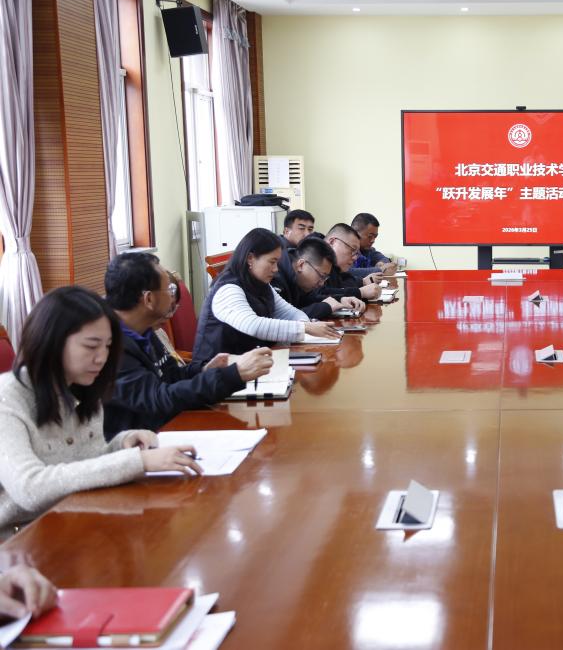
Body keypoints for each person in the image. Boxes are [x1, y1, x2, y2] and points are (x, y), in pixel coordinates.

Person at [0, 287, 201, 539]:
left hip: (75, 520)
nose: (102, 358)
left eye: (107, 346)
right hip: (19, 542)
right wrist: (138, 462)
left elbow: (85, 464)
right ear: (51, 341)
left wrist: (121, 444)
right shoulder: (7, 398)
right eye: (91, 346)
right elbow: (29, 488)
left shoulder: (84, 387)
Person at [102, 253, 274, 438]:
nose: (173, 296)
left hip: (167, 431)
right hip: (140, 444)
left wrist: (204, 370)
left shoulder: (143, 329)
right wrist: (233, 375)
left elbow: (171, 376)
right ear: (148, 299)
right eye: (168, 289)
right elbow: (158, 400)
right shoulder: (108, 345)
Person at [192, 228, 341, 364]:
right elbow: (253, 325)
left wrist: (305, 325)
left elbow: (290, 313)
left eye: (277, 262)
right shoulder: (228, 288)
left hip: (249, 366)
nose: (276, 269)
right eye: (272, 262)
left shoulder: (261, 284)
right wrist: (305, 328)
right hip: (217, 373)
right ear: (250, 258)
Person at [272, 236, 364, 319]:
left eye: (325, 278)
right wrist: (325, 307)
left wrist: (340, 299)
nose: (322, 283)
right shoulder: (275, 276)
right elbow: (283, 320)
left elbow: (310, 299)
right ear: (301, 265)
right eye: (321, 276)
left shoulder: (297, 274)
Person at [323, 223, 384, 301]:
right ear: (332, 242)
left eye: (356, 253)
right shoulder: (313, 259)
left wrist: (363, 282)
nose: (355, 258)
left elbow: (343, 282)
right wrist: (360, 292)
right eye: (352, 250)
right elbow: (319, 295)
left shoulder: (335, 267)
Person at [351, 213, 396, 278]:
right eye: (370, 236)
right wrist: (380, 269)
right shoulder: (345, 251)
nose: (373, 240)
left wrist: (382, 263)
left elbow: (384, 258)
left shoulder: (369, 250)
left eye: (375, 236)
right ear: (355, 233)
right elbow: (349, 271)